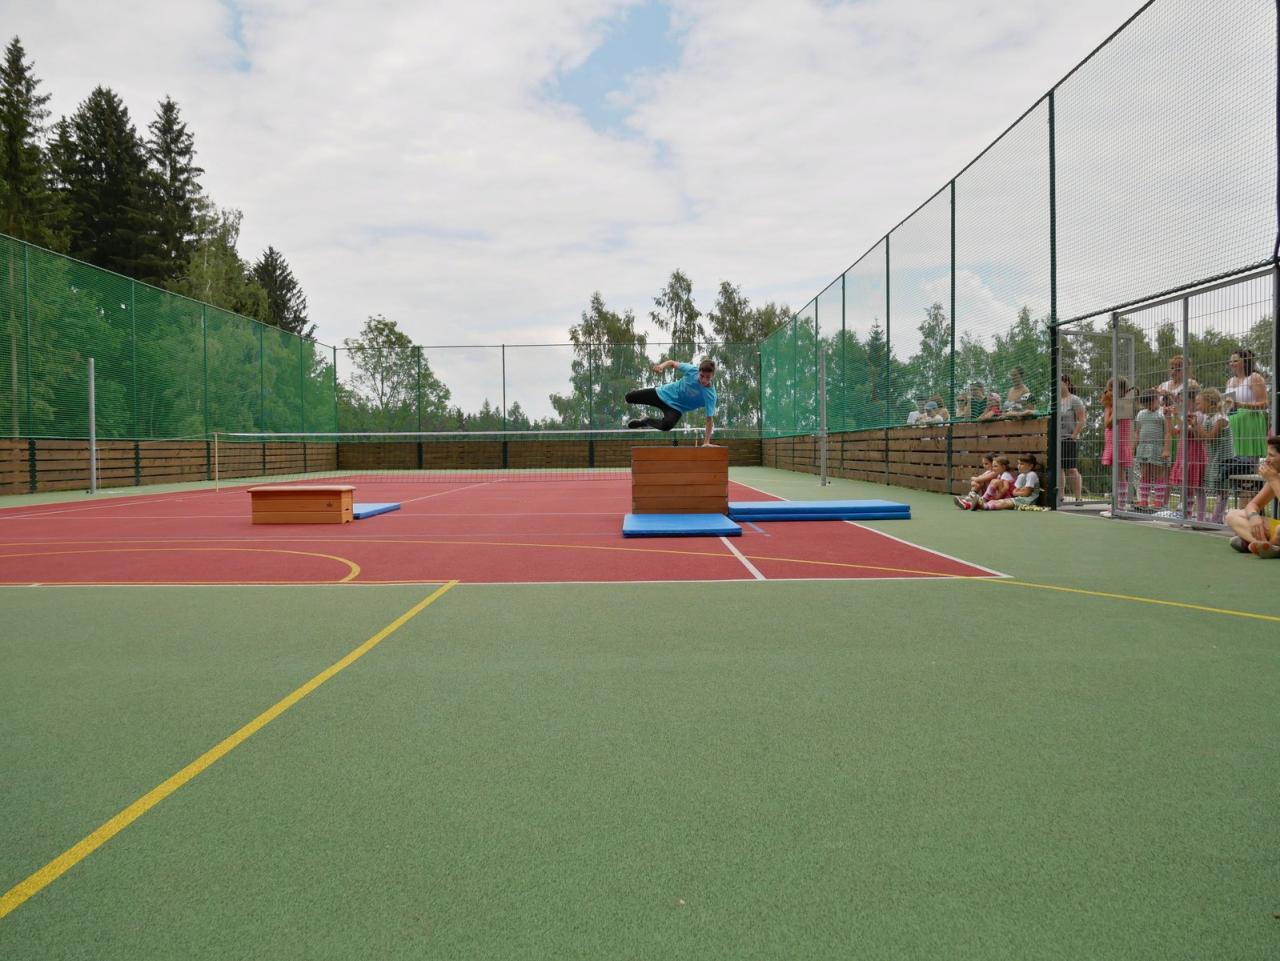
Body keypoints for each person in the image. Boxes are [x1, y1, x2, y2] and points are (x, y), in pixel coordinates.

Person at [626, 358, 719, 446]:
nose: (703, 380)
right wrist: (661, 366)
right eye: (702, 376)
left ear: (713, 376)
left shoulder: (710, 395)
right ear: (698, 371)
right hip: (663, 393)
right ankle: (636, 393)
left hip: (676, 408)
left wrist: (706, 442)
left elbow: (709, 419)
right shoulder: (692, 370)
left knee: (667, 425)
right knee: (629, 398)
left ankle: (645, 421)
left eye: (708, 377)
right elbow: (672, 363)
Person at [1224, 435, 1280, 557]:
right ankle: (1265, 546)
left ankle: (1254, 543)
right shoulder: (1275, 476)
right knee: (1232, 515)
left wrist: (1273, 480)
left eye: (1271, 455)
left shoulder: (1274, 477)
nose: (1267, 460)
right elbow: (1253, 505)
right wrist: (1254, 517)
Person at [1224, 348, 1270, 474]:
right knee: (1233, 461)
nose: (1231, 364)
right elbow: (1228, 405)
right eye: (1230, 361)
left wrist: (1241, 405)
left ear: (1244, 362)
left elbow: (1265, 403)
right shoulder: (1229, 381)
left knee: (1248, 463)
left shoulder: (1254, 378)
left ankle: (1254, 483)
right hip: (1232, 423)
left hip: (1250, 423)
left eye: (1235, 361)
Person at [1193, 388, 1233, 524]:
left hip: (1224, 459)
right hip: (1214, 458)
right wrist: (1195, 426)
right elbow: (1200, 438)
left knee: (1222, 489)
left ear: (1210, 403)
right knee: (1218, 487)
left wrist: (1197, 425)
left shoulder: (1220, 419)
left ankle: (1216, 519)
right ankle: (1216, 518)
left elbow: (1210, 438)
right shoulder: (1208, 418)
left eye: (1199, 403)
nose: (1197, 407)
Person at [1132, 388, 1171, 511]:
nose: (1148, 406)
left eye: (1150, 403)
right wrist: (1133, 447)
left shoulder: (1162, 413)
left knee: (1159, 474)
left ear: (1157, 399)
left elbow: (1167, 433)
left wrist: (1166, 449)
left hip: (1158, 448)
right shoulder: (1141, 414)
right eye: (1146, 404)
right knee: (1145, 474)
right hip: (1143, 448)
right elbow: (1137, 432)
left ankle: (1158, 502)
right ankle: (1144, 500)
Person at [1101, 377, 1135, 511]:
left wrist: (1110, 407)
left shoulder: (1124, 405)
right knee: (1116, 474)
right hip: (1112, 442)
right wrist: (1110, 406)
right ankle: (1118, 503)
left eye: (1111, 389)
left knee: (1120, 474)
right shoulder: (1113, 405)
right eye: (1108, 389)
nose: (1108, 392)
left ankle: (1120, 506)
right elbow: (1108, 424)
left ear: (1121, 391)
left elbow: (1109, 423)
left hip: (1120, 443)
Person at [978, 455, 1043, 511]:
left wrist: (1019, 491)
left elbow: (1026, 493)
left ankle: (984, 506)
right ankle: (980, 504)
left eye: (1022, 464)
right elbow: (1014, 492)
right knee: (996, 501)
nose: (1019, 466)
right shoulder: (1021, 475)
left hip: (1029, 501)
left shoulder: (1031, 475)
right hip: (1020, 499)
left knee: (1004, 503)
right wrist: (1021, 490)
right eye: (1018, 464)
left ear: (1030, 466)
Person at [1058, 375, 1085, 507]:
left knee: (1072, 469)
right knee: (1059, 468)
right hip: (1057, 439)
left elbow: (1082, 420)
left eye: (1060, 382)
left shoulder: (1075, 400)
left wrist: (1073, 435)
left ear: (1067, 383)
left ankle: (1078, 498)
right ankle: (1060, 497)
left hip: (1069, 439)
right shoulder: (1054, 401)